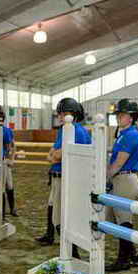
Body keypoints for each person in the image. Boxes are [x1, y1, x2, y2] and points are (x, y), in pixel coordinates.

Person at [36, 98, 91, 251]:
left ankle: (72, 252)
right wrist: (54, 156)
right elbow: (53, 153)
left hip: (68, 177)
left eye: (64, 114)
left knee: (61, 217)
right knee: (53, 207)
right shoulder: (63, 130)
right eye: (59, 114)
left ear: (74, 114)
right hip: (57, 175)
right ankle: (60, 243)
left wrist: (54, 156)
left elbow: (58, 155)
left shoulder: (77, 130)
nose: (60, 117)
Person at [105, 98, 138, 272]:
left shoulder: (130, 135)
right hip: (120, 179)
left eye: (122, 115)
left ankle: (123, 260)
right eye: (118, 115)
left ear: (132, 117)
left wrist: (105, 177)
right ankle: (133, 254)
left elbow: (119, 163)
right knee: (116, 219)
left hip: (124, 179)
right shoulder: (123, 134)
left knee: (124, 221)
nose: (119, 117)